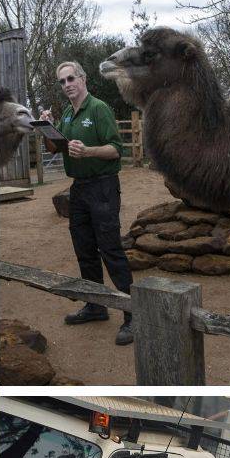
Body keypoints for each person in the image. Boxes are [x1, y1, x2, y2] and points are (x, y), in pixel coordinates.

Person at [39, 61, 133, 346]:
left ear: (83, 79)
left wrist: (89, 150)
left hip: (103, 186)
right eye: (62, 81)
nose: (67, 84)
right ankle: (95, 305)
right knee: (84, 249)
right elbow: (54, 148)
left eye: (71, 78)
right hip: (78, 189)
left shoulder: (99, 108)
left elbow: (117, 150)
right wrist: (47, 127)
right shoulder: (67, 114)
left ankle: (133, 313)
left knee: (110, 249)